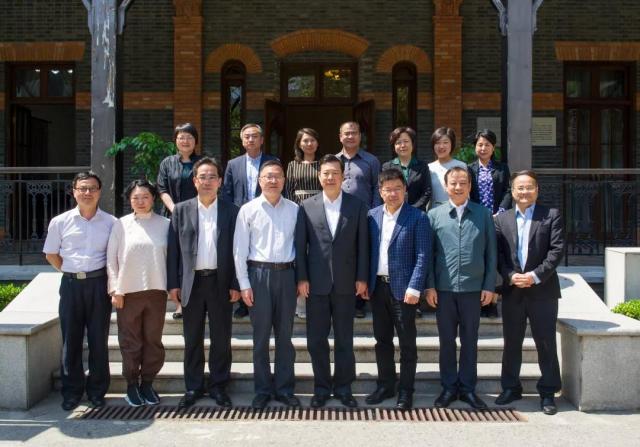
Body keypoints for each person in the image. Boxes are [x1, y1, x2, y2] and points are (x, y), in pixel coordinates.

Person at [295, 154, 369, 408]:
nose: (330, 177)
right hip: (316, 284)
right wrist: (302, 277)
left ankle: (344, 388)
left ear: (343, 176)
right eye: (325, 173)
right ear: (319, 177)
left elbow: (363, 246)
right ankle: (321, 388)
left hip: (347, 284)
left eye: (335, 173)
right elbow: (300, 246)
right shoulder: (307, 206)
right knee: (316, 340)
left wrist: (362, 277)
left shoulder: (357, 205)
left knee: (344, 340)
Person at [167, 157, 240, 409]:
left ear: (220, 181)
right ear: (194, 181)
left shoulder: (232, 211)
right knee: (192, 338)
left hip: (221, 282)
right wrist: (173, 284)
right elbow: (173, 250)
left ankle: (219, 386)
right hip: (192, 283)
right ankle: (193, 387)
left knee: (222, 338)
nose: (207, 181)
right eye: (202, 177)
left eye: (212, 177)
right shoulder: (181, 210)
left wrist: (235, 283)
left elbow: (238, 250)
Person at [43, 171, 117, 411]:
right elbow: (51, 254)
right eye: (82, 188)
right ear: (74, 191)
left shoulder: (111, 223)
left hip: (99, 285)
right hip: (71, 285)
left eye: (92, 188)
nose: (87, 192)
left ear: (99, 192)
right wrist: (70, 272)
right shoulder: (60, 221)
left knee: (98, 340)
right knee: (71, 340)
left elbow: (115, 256)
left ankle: (97, 391)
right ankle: (72, 392)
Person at [494, 170, 564, 416]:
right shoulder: (501, 220)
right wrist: (510, 275)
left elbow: (556, 251)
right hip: (513, 290)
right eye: (520, 188)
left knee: (545, 342)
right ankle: (510, 387)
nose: (524, 192)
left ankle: (548, 392)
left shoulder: (551, 215)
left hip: (542, 290)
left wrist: (534, 276)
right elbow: (498, 255)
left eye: (529, 187)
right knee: (511, 342)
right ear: (513, 191)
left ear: (537, 190)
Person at [426, 166, 497, 410]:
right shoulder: (434, 215)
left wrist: (489, 286)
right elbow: (429, 255)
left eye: (463, 183)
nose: (458, 187)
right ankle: (448, 388)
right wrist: (430, 287)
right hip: (443, 290)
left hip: (473, 290)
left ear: (470, 186)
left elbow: (491, 254)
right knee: (446, 341)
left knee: (470, 341)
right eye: (453, 183)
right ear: (445, 187)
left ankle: (467, 389)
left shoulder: (483, 214)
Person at [233, 159, 299, 410]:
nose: (273, 180)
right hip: (258, 276)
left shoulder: (294, 209)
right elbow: (239, 250)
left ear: (284, 180)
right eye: (268, 176)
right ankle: (261, 390)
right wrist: (243, 283)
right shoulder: (248, 210)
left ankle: (284, 389)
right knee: (260, 338)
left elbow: (301, 247)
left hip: (287, 275)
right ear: (260, 180)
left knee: (285, 337)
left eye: (277, 176)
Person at [365, 168, 431, 410]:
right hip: (378, 288)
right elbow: (367, 252)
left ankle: (406, 390)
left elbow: (423, 256)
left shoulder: (418, 217)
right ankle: (385, 385)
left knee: (407, 343)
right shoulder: (372, 216)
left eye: (397, 189)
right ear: (380, 191)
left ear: (405, 190)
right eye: (388, 189)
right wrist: (365, 281)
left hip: (405, 290)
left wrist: (415, 287)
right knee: (382, 341)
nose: (392, 193)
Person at [106, 179, 170, 407]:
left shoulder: (165, 224)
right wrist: (115, 289)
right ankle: (132, 385)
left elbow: (172, 258)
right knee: (130, 341)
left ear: (153, 198)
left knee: (153, 340)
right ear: (129, 200)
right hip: (127, 292)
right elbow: (111, 259)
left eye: (145, 197)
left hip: (157, 291)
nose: (141, 201)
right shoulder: (120, 225)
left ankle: (148, 383)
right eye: (136, 197)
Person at [222, 123, 278, 319]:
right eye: (247, 136)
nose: (251, 139)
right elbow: (227, 192)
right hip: (240, 217)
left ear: (262, 140)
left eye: (255, 136)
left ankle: (262, 297)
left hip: (266, 217)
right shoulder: (233, 164)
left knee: (258, 257)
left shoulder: (272, 162)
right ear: (242, 140)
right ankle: (242, 302)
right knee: (240, 256)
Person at [156, 122, 202, 320]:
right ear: (175, 140)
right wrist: (175, 209)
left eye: (189, 137)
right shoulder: (167, 163)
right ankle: (179, 303)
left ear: (195, 141)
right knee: (175, 257)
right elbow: (162, 188)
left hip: (198, 216)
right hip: (173, 216)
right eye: (181, 137)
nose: (185, 141)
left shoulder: (202, 162)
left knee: (194, 256)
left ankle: (196, 299)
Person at [336, 121, 381, 318]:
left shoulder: (371, 161)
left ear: (360, 136)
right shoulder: (333, 160)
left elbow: (377, 188)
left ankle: (359, 303)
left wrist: (375, 213)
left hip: (365, 217)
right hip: (339, 218)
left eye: (354, 133)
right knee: (343, 257)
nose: (350, 136)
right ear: (340, 137)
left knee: (362, 256)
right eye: (346, 133)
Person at [467, 128, 512, 318]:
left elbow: (508, 191)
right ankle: (478, 301)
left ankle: (492, 302)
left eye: (487, 145)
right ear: (475, 147)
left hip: (497, 220)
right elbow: (467, 193)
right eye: (480, 145)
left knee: (493, 259)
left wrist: (499, 212)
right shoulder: (469, 168)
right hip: (476, 220)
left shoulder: (502, 168)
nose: (483, 148)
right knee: (479, 259)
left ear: (493, 148)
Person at [285, 128, 322, 319]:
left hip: (319, 212)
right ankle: (300, 304)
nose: (309, 144)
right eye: (305, 140)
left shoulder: (323, 164)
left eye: (312, 140)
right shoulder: (292, 165)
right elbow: (288, 191)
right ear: (299, 143)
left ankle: (317, 300)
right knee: (300, 254)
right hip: (298, 211)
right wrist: (296, 212)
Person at [381, 126, 431, 210]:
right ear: (394, 146)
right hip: (394, 212)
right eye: (398, 142)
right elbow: (385, 191)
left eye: (406, 141)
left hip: (417, 212)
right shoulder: (387, 167)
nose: (403, 145)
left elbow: (427, 192)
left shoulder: (423, 166)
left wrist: (412, 210)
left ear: (412, 144)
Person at [427, 127, 467, 207]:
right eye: (437, 143)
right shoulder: (429, 168)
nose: (441, 146)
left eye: (445, 142)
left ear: (452, 144)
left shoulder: (461, 166)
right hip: (435, 211)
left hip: (457, 209)